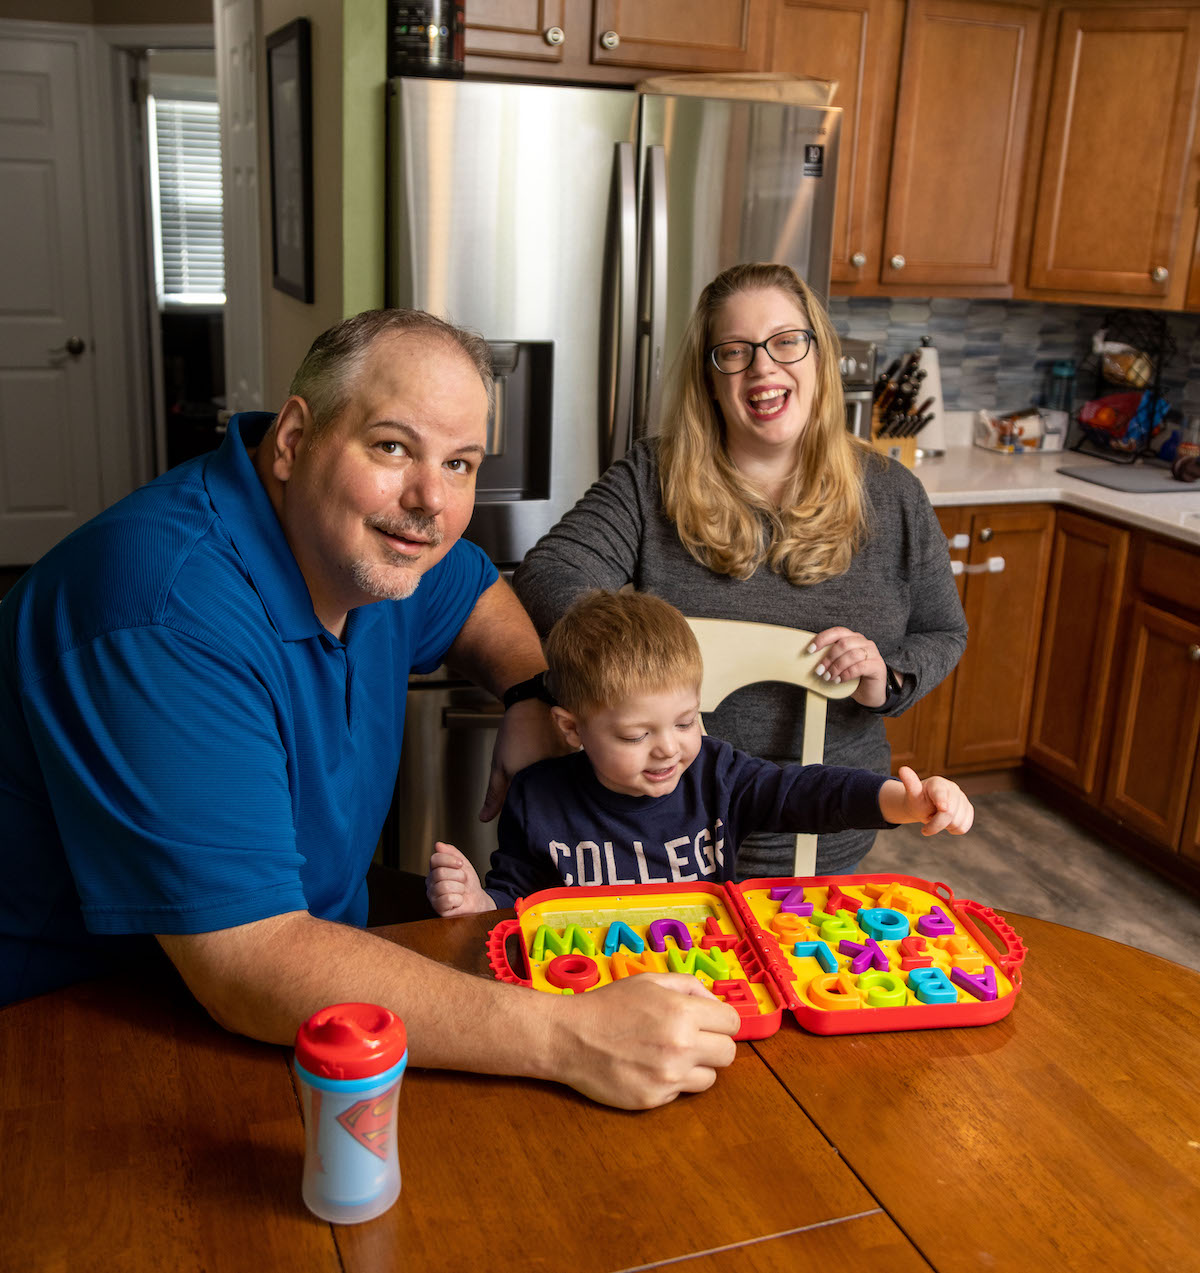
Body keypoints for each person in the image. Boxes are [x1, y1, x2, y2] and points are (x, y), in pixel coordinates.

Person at [0, 308, 740, 1110]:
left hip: (307, 963)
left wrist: (532, 690)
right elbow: (248, 960)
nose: (429, 500)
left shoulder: (372, 549)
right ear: (291, 441)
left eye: (460, 463)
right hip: (79, 1019)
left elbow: (474, 588)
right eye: (393, 447)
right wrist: (568, 1037)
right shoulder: (165, 611)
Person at [513, 262, 968, 878]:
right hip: (665, 846)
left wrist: (885, 678)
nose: (763, 369)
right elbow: (548, 572)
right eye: (735, 351)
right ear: (710, 375)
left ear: (820, 354)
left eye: (786, 342)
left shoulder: (893, 493)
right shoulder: (654, 478)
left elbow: (945, 631)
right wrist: (635, 656)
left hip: (827, 838)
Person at [427, 590, 973, 915]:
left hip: (709, 977)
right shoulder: (537, 796)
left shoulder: (718, 773)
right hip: (587, 996)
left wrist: (900, 802)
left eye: (687, 721)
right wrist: (481, 903)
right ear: (573, 730)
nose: (669, 748)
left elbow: (807, 791)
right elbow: (515, 895)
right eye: (636, 736)